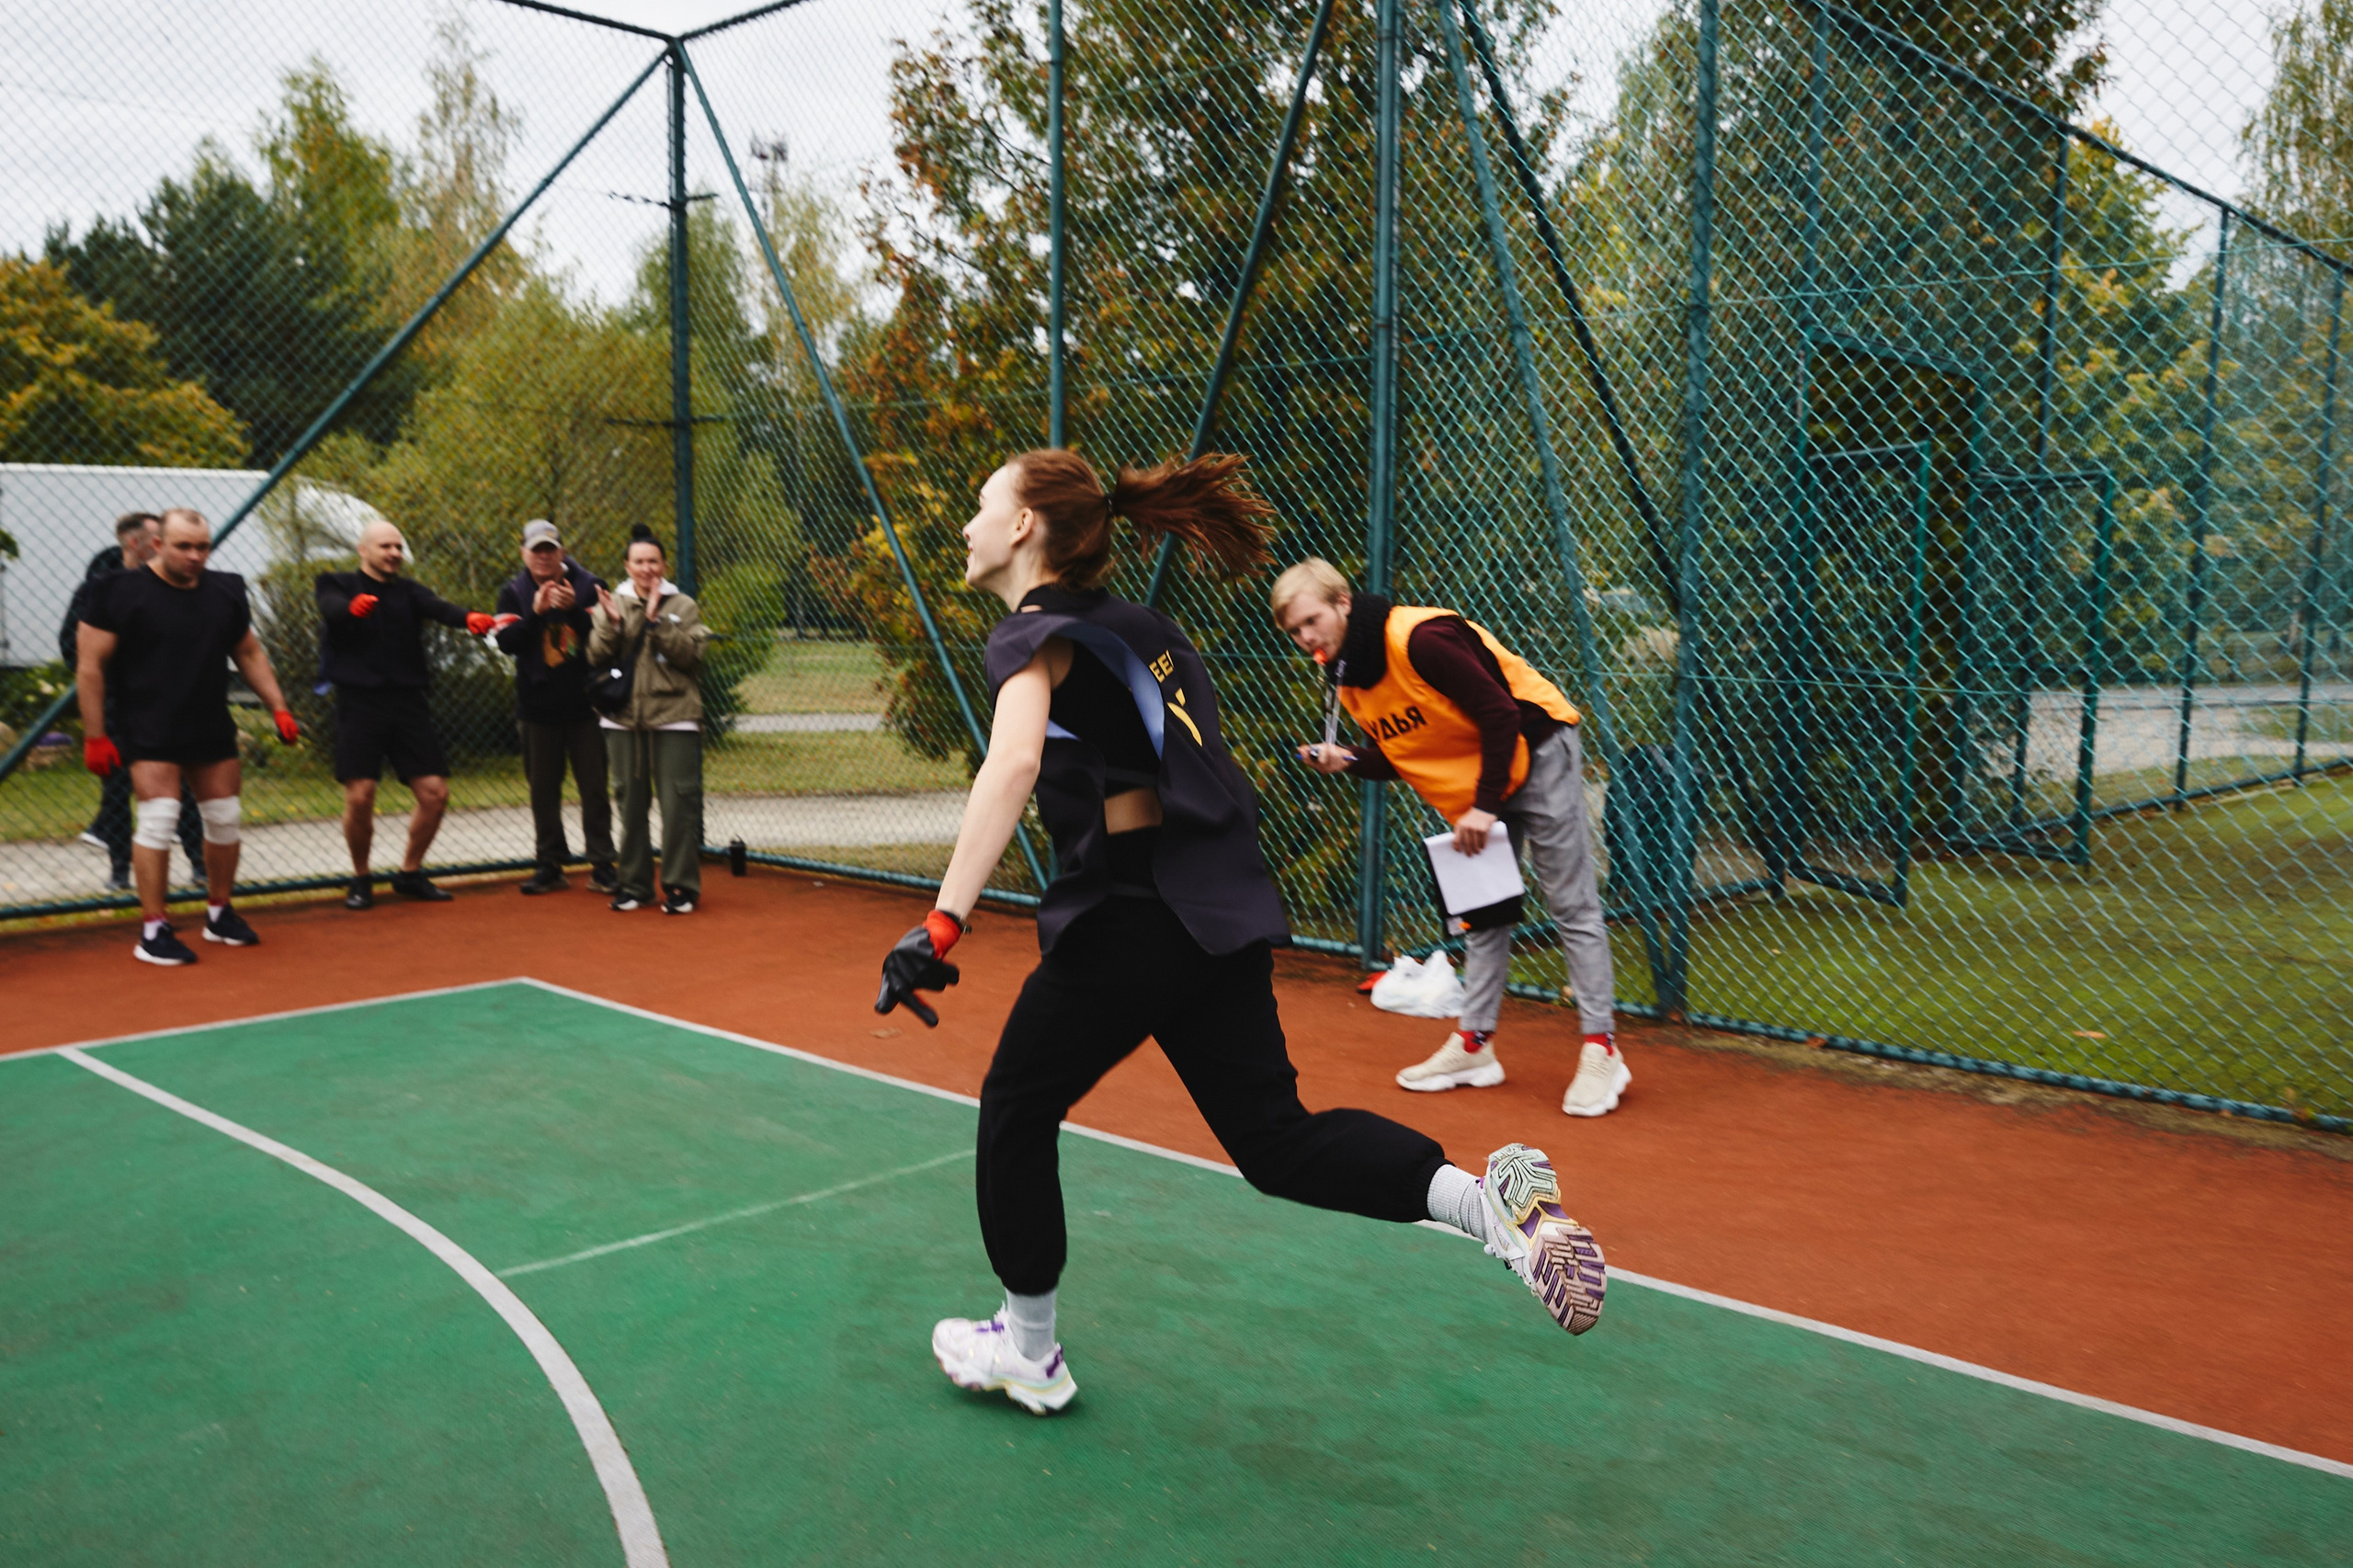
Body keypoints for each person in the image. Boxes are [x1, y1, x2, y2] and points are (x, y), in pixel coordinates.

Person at [873, 449, 1606, 1415]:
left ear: (1021, 527)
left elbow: (1009, 767)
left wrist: (941, 920)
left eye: (979, 502)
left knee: (1014, 1104)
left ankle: (1028, 1346)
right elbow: (1172, 775)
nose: (966, 525)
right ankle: (1491, 1207)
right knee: (1275, 1140)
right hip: (1215, 913)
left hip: (1136, 914)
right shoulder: (1148, 631)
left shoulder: (1032, 633)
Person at [1271, 557, 1629, 1119]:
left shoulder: (1421, 639)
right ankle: (1474, 1046)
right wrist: (1352, 760)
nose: (1305, 638)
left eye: (1311, 621)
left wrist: (1484, 809)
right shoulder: (1347, 675)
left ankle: (1602, 1047)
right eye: (1293, 632)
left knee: (1570, 903)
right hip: (1482, 772)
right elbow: (1408, 749)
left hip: (1538, 747)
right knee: (1482, 911)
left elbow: (1499, 713)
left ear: (1343, 603)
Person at [73, 507, 301, 965]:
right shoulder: (116, 591)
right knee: (159, 818)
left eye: (202, 547)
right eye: (184, 546)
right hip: (147, 722)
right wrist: (95, 736)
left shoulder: (226, 590)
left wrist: (278, 706)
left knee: (224, 816)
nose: (195, 555)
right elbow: (90, 666)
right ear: (157, 545)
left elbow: (248, 651)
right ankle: (153, 930)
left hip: (209, 721)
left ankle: (219, 913)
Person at [315, 520, 496, 910]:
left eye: (398, 547)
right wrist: (351, 609)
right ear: (363, 550)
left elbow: (440, 608)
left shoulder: (409, 592)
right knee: (361, 796)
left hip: (407, 702)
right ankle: (361, 878)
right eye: (385, 546)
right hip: (359, 701)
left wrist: (469, 619)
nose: (394, 553)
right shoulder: (336, 583)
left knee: (435, 793)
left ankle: (410, 874)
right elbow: (329, 608)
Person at [60, 512, 201, 887]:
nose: (163, 547)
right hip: (114, 707)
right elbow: (71, 646)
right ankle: (121, 870)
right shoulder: (96, 590)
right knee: (117, 791)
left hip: (164, 705)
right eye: (158, 539)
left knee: (181, 786)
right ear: (134, 544)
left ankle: (199, 863)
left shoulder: (171, 586)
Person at [586, 525, 709, 915]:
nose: (646, 568)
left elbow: (690, 656)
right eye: (638, 561)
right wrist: (612, 624)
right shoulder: (615, 604)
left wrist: (656, 622)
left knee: (678, 806)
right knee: (629, 804)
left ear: (664, 564)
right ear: (627, 565)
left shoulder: (683, 606)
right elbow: (596, 657)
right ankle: (634, 885)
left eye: (653, 560)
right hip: (623, 721)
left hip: (674, 717)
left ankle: (680, 888)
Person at [494, 519, 616, 896]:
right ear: (524, 554)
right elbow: (506, 643)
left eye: (550, 549)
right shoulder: (512, 591)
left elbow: (608, 637)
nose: (543, 557)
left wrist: (577, 612)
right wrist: (536, 614)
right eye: (536, 550)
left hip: (586, 704)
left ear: (561, 552)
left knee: (594, 787)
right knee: (543, 790)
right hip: (537, 706)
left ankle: (602, 863)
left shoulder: (590, 585)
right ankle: (550, 863)